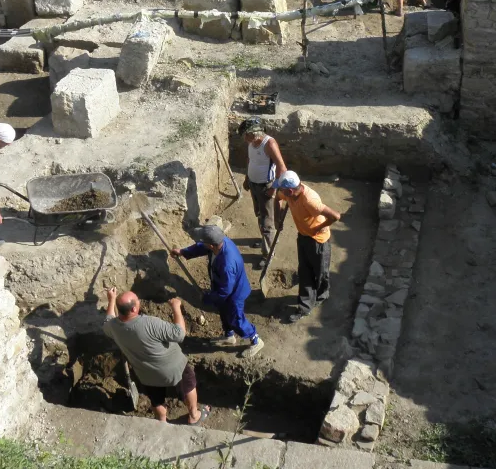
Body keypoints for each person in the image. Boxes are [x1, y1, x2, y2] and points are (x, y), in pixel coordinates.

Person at [102, 288, 210, 424]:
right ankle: (194, 415)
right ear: (134, 309)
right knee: (188, 384)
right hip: (174, 368)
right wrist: (176, 307)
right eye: (137, 300)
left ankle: (161, 423)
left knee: (156, 399)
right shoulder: (150, 323)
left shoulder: (113, 327)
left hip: (147, 374)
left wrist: (111, 300)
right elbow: (179, 334)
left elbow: (107, 321)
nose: (139, 301)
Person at [171, 223, 264, 358]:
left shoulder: (227, 263)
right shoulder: (220, 242)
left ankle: (256, 340)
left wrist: (208, 298)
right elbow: (201, 247)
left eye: (205, 242)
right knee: (223, 311)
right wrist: (184, 252)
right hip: (223, 287)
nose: (203, 244)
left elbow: (225, 291)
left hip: (234, 294)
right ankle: (229, 336)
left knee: (235, 319)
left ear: (212, 245)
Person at [273, 171, 341, 323]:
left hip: (319, 240)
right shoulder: (289, 194)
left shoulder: (310, 200)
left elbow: (335, 216)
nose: (281, 192)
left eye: (283, 190)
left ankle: (322, 294)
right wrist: (277, 219)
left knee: (320, 272)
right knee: (304, 271)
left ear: (290, 191)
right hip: (303, 236)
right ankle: (305, 306)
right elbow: (277, 198)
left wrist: (318, 228)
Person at [239, 117, 288, 260]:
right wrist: (247, 178)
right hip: (254, 184)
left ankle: (268, 255)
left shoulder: (269, 144)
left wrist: (274, 188)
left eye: (246, 135)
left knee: (267, 221)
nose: (245, 138)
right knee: (259, 214)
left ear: (255, 133)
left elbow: (282, 167)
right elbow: (250, 160)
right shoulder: (251, 142)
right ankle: (268, 241)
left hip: (266, 186)